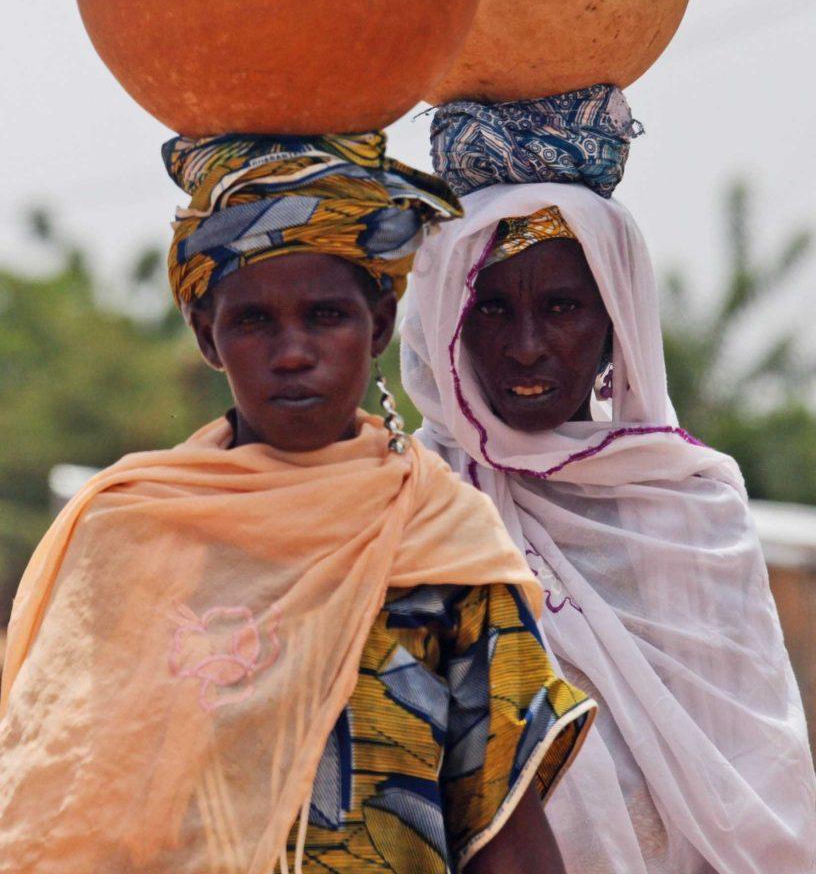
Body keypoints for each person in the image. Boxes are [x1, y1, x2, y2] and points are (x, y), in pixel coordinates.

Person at [0, 132, 595, 874]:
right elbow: (61, 798)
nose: (291, 352)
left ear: (378, 324)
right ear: (205, 336)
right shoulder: (132, 530)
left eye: (325, 316)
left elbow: (505, 839)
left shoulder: (442, 539)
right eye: (253, 322)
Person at [401, 89, 816, 874]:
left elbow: (761, 803)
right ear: (443, 323)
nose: (526, 346)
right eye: (489, 309)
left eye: (562, 306)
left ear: (615, 323)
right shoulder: (410, 506)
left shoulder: (691, 508)